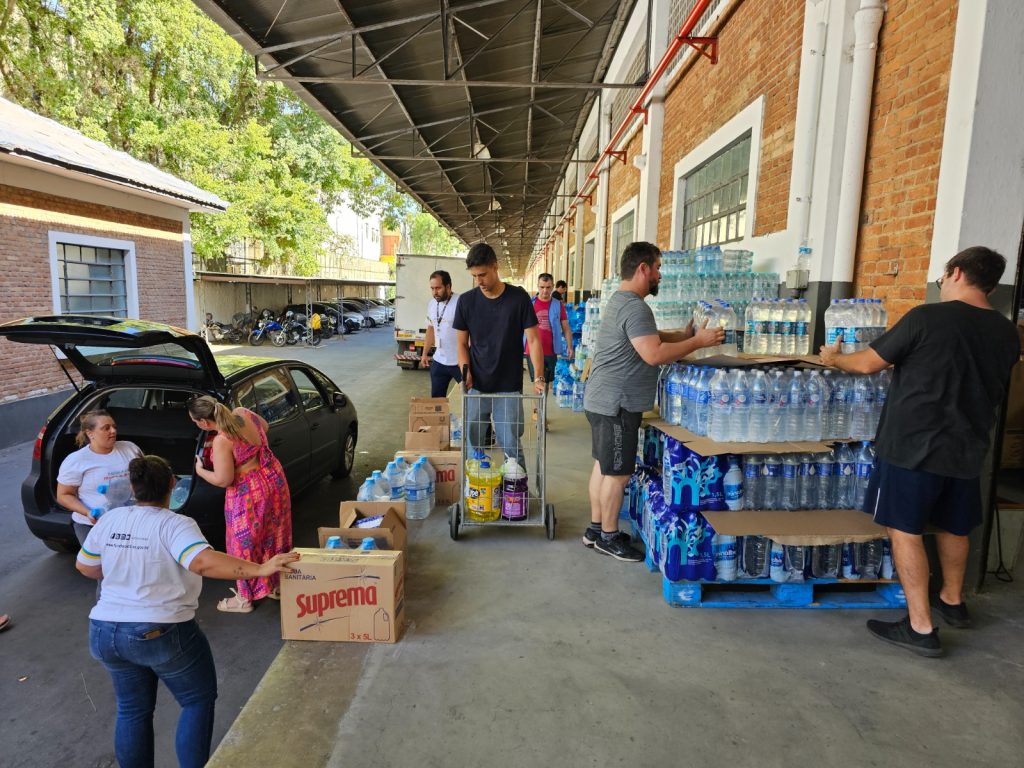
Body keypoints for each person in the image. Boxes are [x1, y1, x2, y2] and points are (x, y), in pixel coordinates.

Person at [819, 246, 1019, 657]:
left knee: (905, 531)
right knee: (954, 525)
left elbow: (867, 364)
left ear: (957, 273)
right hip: (969, 444)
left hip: (914, 444)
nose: (941, 283)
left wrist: (834, 359)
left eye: (944, 276)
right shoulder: (1006, 331)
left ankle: (920, 626)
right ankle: (952, 601)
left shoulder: (927, 317)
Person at [77, 454, 299, 768]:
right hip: (159, 630)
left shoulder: (112, 519)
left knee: (132, 709)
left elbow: (85, 566)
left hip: (104, 631)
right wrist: (261, 569)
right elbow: (203, 561)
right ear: (172, 485)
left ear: (131, 486)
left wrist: (123, 565)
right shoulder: (175, 524)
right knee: (196, 700)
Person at [583, 241, 723, 562]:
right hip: (617, 405)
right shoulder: (635, 307)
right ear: (643, 268)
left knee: (604, 468)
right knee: (617, 474)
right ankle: (608, 536)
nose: (659, 275)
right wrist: (697, 343)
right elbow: (653, 353)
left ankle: (594, 529)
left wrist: (685, 334)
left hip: (602, 400)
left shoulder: (622, 302)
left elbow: (651, 337)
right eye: (657, 268)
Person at [187, 396, 292, 613]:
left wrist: (200, 470)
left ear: (205, 423)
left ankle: (244, 598)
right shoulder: (244, 413)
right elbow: (265, 426)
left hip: (249, 492)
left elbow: (224, 480)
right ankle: (275, 584)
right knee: (275, 531)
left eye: (196, 423)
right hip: (273, 477)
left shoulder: (222, 440)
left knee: (243, 542)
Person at [454, 243, 545, 466]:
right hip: (476, 385)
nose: (479, 281)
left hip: (508, 385)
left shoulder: (518, 298)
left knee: (511, 444)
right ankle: (475, 495)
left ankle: (516, 495)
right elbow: (461, 343)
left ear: (495, 267)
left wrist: (539, 376)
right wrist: (465, 371)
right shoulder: (466, 301)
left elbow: (533, 340)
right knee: (474, 444)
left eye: (483, 274)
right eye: (475, 276)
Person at [57, 410, 143, 598]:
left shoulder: (129, 448)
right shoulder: (76, 461)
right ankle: (107, 618)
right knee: (109, 574)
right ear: (90, 433)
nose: (113, 431)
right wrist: (87, 512)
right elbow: (64, 495)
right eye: (106, 428)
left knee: (137, 568)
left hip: (131, 522)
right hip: (92, 525)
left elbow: (145, 477)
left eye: (114, 427)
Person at [524, 272, 574, 422]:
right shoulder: (530, 305)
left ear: (553, 287)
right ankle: (539, 413)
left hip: (551, 351)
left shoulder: (558, 306)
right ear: (537, 287)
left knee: (546, 383)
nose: (545, 291)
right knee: (537, 381)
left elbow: (565, 327)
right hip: (532, 351)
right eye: (542, 287)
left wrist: (570, 346)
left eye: (548, 287)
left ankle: (540, 408)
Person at [421, 269, 462, 397]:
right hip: (439, 361)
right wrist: (424, 353)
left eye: (438, 288)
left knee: (471, 400)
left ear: (448, 286)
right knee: (436, 403)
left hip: (459, 362)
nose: (435, 292)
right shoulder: (432, 304)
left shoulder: (461, 302)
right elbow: (431, 329)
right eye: (432, 288)